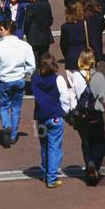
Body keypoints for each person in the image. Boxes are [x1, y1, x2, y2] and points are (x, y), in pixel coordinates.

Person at [67, 47, 105, 184]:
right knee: (100, 142)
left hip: (81, 115)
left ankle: (89, 164)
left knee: (86, 142)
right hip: (95, 114)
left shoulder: (76, 76)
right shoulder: (98, 76)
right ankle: (95, 165)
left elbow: (72, 96)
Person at [0, 15, 36, 146]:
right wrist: (25, 73)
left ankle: (7, 125)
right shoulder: (24, 45)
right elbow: (31, 65)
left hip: (5, 80)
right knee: (16, 108)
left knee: (4, 106)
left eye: (1, 29)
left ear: (7, 30)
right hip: (19, 79)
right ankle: (14, 135)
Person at [32, 52, 72, 188]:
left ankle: (45, 173)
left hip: (40, 117)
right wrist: (64, 111)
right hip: (55, 117)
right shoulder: (58, 79)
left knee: (44, 146)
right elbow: (65, 97)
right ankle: (52, 178)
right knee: (54, 147)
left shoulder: (35, 79)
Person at [60, 0, 103, 71]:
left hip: (71, 59)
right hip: (85, 57)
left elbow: (63, 45)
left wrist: (68, 55)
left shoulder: (65, 27)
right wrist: (98, 57)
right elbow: (93, 42)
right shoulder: (86, 24)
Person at [23, 0, 54, 68]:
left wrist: (26, 32)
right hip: (45, 35)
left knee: (35, 59)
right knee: (45, 57)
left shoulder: (31, 6)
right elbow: (50, 19)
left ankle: (37, 74)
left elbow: (27, 21)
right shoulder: (47, 5)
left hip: (34, 36)